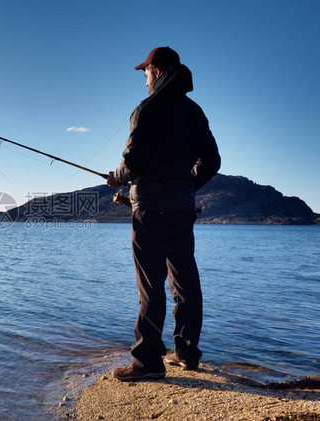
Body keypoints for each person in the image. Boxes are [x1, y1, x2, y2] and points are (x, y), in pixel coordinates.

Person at [106, 47, 221, 381]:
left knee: (151, 286)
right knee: (185, 282)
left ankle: (147, 362)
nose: (144, 80)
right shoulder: (194, 111)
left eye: (145, 73)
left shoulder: (146, 109)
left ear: (156, 71)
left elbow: (134, 163)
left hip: (150, 211)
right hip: (182, 208)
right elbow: (211, 162)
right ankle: (186, 352)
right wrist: (186, 185)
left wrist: (117, 176)